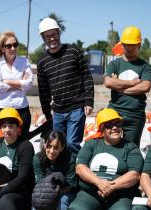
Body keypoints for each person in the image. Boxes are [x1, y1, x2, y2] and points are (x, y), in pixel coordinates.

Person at [37, 17, 94, 154]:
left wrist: (89, 101)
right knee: (57, 146)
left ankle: (75, 173)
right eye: (48, 36)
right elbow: (43, 90)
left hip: (77, 108)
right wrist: (46, 113)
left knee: (71, 144)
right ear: (43, 38)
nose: (52, 39)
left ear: (59, 33)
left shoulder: (73, 51)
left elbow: (86, 76)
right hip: (58, 112)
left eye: (54, 34)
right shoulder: (42, 61)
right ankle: (60, 174)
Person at [69, 108, 144, 210]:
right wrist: (99, 182)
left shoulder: (131, 147)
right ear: (102, 129)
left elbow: (134, 175)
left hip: (120, 195)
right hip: (90, 194)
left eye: (117, 124)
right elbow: (80, 168)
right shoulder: (91, 144)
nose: (114, 128)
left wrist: (110, 187)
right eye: (109, 125)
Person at [104, 26, 151, 146]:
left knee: (131, 148)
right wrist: (133, 83)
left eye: (133, 45)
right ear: (122, 45)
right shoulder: (114, 64)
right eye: (127, 44)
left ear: (139, 45)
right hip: (115, 112)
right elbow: (108, 83)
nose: (130, 48)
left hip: (135, 115)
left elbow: (145, 87)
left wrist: (119, 87)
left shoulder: (145, 66)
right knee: (109, 146)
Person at [0, 31, 33, 140]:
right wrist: (20, 83)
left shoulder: (24, 61)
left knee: (22, 141)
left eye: (15, 45)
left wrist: (7, 81)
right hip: (1, 108)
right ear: (2, 48)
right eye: (8, 46)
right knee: (2, 142)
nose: (12, 48)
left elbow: (29, 84)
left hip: (21, 107)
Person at [32, 130, 78, 210]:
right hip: (45, 190)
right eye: (49, 146)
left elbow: (70, 184)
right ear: (44, 144)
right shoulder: (38, 158)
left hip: (65, 190)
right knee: (38, 203)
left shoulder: (70, 158)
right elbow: (40, 182)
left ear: (62, 147)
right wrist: (48, 196)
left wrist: (56, 193)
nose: (51, 151)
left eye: (56, 148)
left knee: (62, 202)